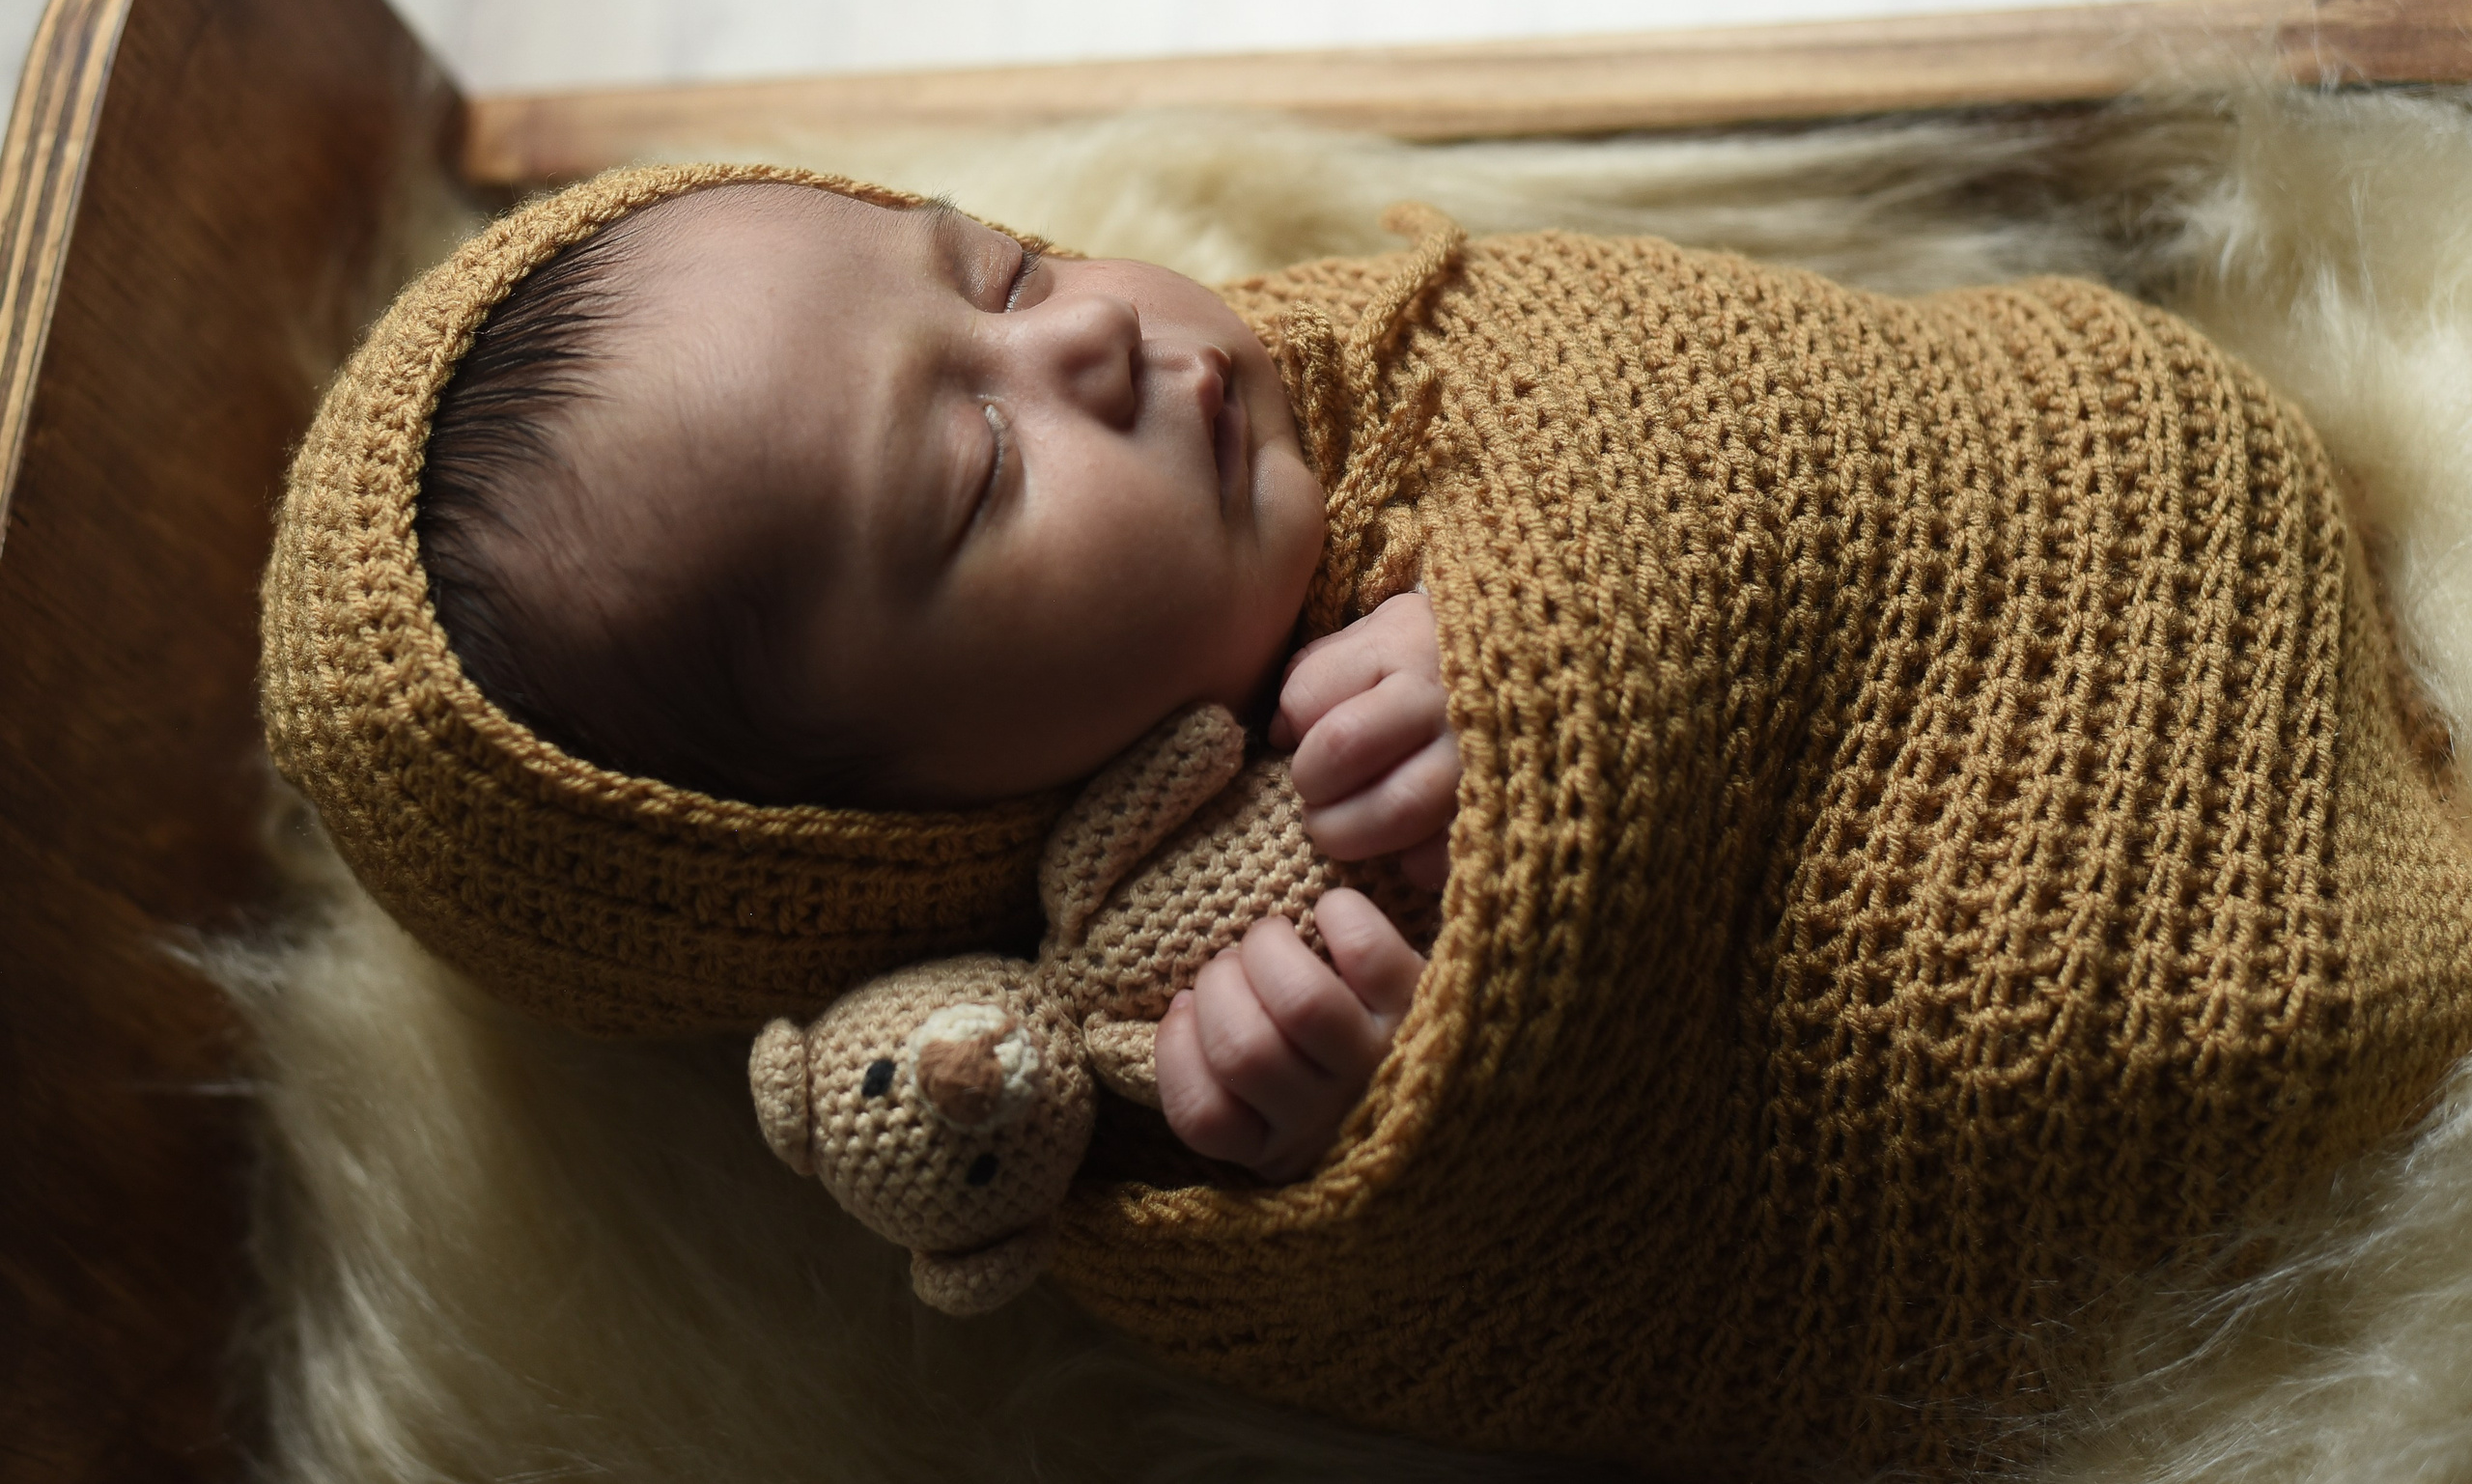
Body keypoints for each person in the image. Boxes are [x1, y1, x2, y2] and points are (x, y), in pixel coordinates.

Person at [261, 161, 2472, 1475]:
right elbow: (1536, 1282)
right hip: (2093, 1054)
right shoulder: (1131, 1117)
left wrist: (1561, 626)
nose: (1097, 354)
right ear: (868, 846)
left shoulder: (1363, 373)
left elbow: (1707, 380)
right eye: (976, 480)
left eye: (1005, 271)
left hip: (2114, 535)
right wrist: (1357, 1097)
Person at [413, 179, 1448, 1182]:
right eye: (983, 465)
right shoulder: (1146, 1047)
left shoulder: (1394, 359)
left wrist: (1491, 618)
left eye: (1005, 274)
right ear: (898, 851)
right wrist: (1383, 1103)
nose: (1091, 332)